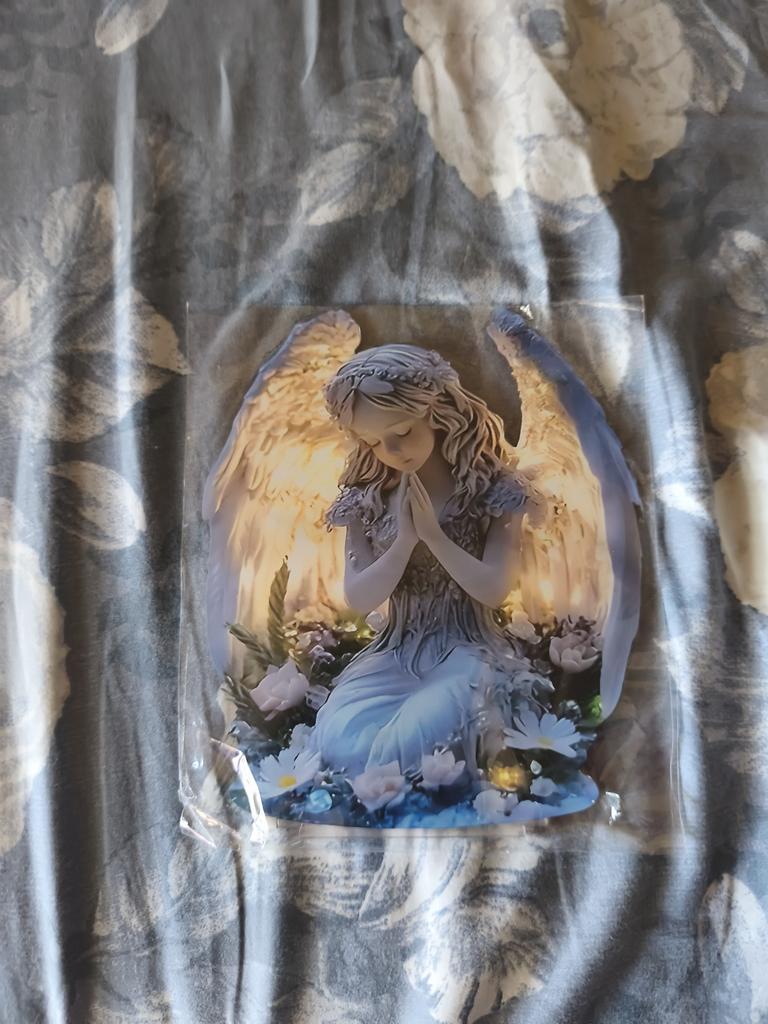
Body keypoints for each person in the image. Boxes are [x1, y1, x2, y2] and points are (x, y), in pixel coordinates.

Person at [305, 343, 546, 778]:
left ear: (437, 414)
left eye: (402, 431)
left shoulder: (493, 494)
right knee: (344, 740)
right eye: (373, 441)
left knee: (414, 741)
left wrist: (434, 536)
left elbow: (494, 589)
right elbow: (360, 598)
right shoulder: (366, 500)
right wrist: (404, 543)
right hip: (395, 653)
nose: (391, 451)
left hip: (467, 650)